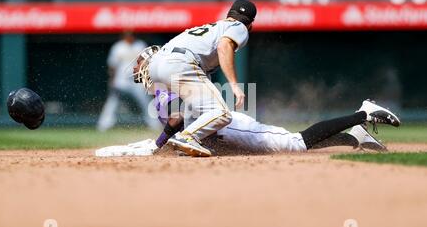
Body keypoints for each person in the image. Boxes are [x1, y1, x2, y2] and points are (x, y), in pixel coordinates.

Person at [95, 86, 400, 157]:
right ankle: (353, 136)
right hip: (229, 131)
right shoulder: (176, 126)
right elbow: (157, 146)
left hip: (234, 127)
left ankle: (364, 112)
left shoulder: (183, 107)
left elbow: (173, 117)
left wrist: (168, 124)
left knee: (295, 142)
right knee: (292, 146)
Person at [135, 0, 257, 156]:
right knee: (222, 113)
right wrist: (233, 84)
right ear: (250, 24)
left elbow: (191, 109)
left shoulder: (214, 28)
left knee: (197, 111)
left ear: (229, 14)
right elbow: (224, 46)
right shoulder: (239, 27)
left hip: (157, 63)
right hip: (180, 62)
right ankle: (187, 137)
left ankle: (187, 143)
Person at [97, 31, 159, 131]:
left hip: (136, 80)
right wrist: (112, 80)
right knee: (112, 103)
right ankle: (104, 125)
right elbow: (112, 66)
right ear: (123, 36)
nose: (129, 37)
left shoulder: (140, 45)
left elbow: (146, 63)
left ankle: (154, 124)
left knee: (145, 102)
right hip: (121, 80)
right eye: (127, 35)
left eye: (131, 35)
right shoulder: (118, 47)